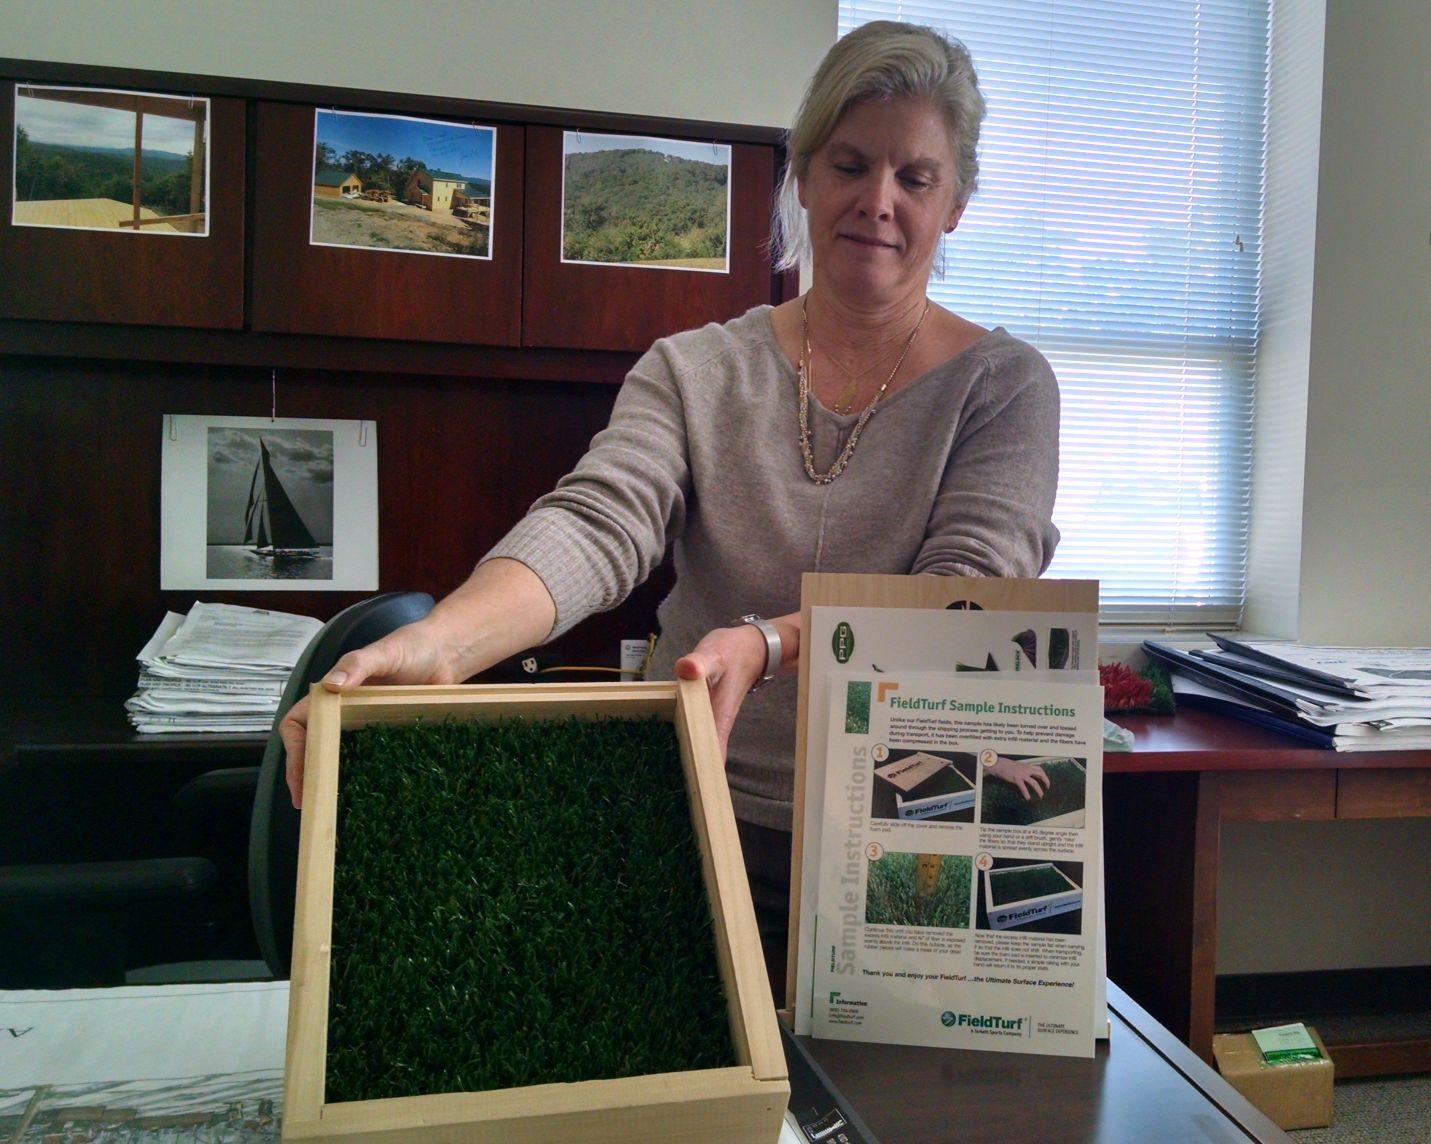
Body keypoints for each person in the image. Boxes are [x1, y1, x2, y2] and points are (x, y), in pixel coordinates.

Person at [281, 20, 1059, 1000]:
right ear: (805, 176)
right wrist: (444, 641)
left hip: (906, 835)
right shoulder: (694, 369)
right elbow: (596, 523)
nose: (878, 201)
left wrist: (767, 644)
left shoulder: (1006, 386)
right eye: (851, 165)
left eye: (916, 177)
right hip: (694, 816)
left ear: (957, 203)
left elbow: (966, 603)